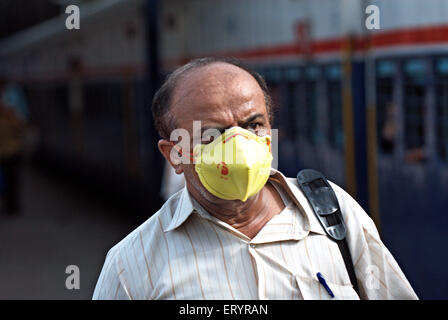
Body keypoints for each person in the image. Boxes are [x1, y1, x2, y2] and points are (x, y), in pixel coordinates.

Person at [93, 57, 418, 300]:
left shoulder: (334, 214)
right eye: (211, 134)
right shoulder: (131, 267)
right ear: (174, 154)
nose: (238, 146)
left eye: (253, 125)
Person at [0, 82, 28, 215]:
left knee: (13, 180)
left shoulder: (11, 115)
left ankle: (13, 206)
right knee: (9, 181)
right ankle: (11, 205)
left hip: (12, 151)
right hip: (9, 151)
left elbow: (20, 127)